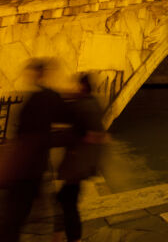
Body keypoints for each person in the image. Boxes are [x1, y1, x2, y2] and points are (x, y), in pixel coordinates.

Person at [0, 58, 70, 242]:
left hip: (25, 165)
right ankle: (56, 232)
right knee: (21, 213)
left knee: (14, 216)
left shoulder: (41, 97)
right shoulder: (46, 96)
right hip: (30, 165)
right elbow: (68, 125)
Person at [53, 73, 105, 242]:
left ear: (82, 86)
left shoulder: (84, 106)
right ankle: (61, 234)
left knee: (67, 201)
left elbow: (90, 134)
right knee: (66, 199)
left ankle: (71, 237)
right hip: (82, 164)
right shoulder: (92, 103)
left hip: (77, 164)